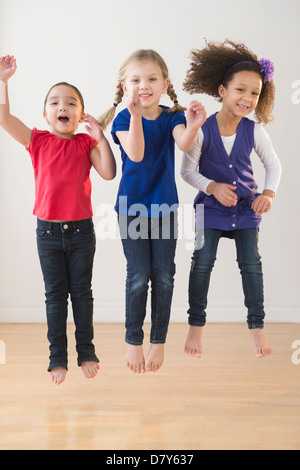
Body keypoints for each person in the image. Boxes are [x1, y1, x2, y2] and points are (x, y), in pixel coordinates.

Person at [0, 55, 116, 384]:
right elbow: (3, 117)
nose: (62, 106)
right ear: (45, 114)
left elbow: (108, 173)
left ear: (80, 115)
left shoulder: (85, 143)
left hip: (81, 232)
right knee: (55, 296)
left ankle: (87, 351)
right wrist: (3, 81)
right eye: (55, 102)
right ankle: (57, 356)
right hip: (47, 233)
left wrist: (101, 137)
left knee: (81, 293)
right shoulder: (37, 140)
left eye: (70, 103)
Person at [98, 49, 206, 374]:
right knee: (138, 275)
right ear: (124, 85)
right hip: (130, 209)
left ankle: (158, 340)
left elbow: (184, 143)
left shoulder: (173, 115)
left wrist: (195, 125)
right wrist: (133, 115)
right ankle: (134, 339)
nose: (144, 85)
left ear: (164, 84)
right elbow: (136, 151)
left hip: (164, 209)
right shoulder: (120, 119)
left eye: (151, 79)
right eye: (136, 80)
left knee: (163, 275)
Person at [181, 40, 282, 359]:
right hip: (209, 211)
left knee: (251, 265)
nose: (248, 98)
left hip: (245, 210)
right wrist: (211, 187)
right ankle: (195, 325)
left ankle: (256, 327)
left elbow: (273, 164)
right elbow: (186, 171)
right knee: (202, 263)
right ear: (222, 90)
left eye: (255, 93)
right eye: (241, 90)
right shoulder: (201, 129)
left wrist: (267, 193)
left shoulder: (255, 131)